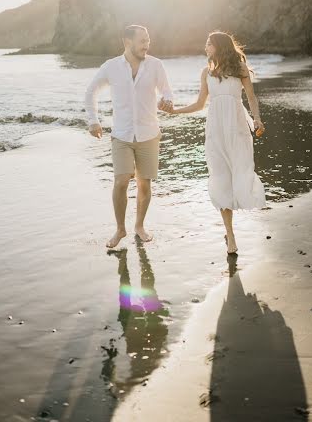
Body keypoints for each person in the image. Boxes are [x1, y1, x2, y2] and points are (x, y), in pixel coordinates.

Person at [159, 31, 266, 255]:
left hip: (237, 129)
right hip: (216, 131)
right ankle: (231, 235)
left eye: (208, 43)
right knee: (221, 178)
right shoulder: (206, 73)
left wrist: (256, 119)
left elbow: (251, 97)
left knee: (240, 172)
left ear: (218, 46)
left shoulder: (240, 68)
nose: (205, 46)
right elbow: (199, 104)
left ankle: (232, 229)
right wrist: (175, 111)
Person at [85, 25, 173, 249]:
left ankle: (139, 226)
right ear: (127, 42)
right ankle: (120, 229)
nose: (147, 45)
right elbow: (91, 91)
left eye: (148, 40)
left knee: (145, 184)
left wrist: (167, 100)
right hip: (122, 135)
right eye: (142, 41)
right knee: (121, 180)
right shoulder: (111, 67)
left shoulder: (156, 65)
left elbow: (167, 91)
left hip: (149, 134)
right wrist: (93, 120)